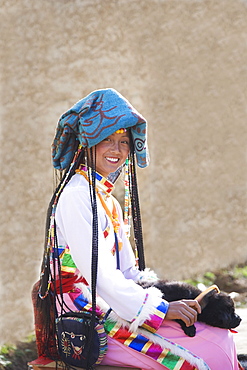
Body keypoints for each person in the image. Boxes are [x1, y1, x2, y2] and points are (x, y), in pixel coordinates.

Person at [33, 88, 239, 370]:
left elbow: (128, 273)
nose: (117, 150)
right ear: (87, 143)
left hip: (116, 303)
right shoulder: (76, 196)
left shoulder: (106, 200)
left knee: (219, 335)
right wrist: (161, 310)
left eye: (123, 141)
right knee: (209, 353)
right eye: (106, 139)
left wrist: (174, 300)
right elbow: (99, 278)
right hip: (86, 313)